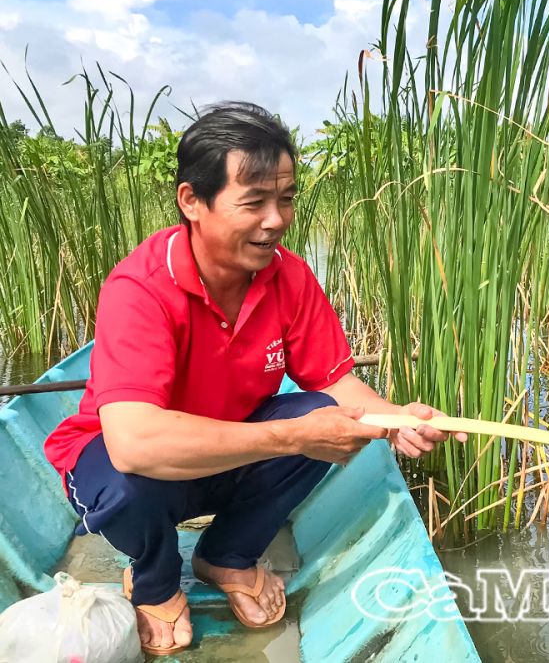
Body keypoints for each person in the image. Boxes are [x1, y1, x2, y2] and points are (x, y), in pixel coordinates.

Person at [43, 102, 466, 656]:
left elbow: (338, 386)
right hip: (132, 468)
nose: (277, 219)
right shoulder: (139, 288)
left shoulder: (288, 276)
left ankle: (227, 555)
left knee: (320, 412)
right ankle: (155, 581)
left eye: (286, 199)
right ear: (192, 201)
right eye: (255, 202)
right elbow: (135, 444)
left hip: (231, 453)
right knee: (130, 482)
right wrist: (293, 437)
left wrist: (394, 422)